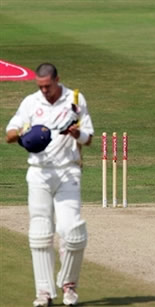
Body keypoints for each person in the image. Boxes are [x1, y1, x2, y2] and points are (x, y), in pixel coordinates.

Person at [5, 63, 94, 306]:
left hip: (68, 172)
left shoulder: (75, 100)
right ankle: (43, 293)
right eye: (40, 86)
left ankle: (69, 285)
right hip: (39, 173)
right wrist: (24, 136)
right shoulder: (31, 102)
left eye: (48, 86)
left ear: (57, 80)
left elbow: (89, 138)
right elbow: (9, 133)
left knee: (73, 232)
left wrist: (78, 135)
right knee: (40, 234)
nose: (44, 90)